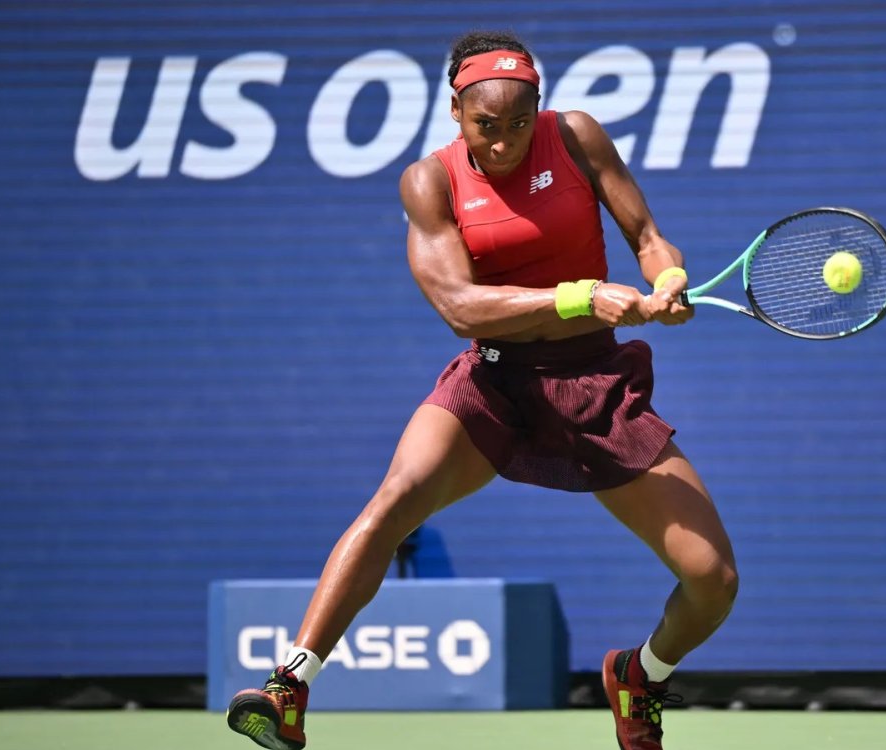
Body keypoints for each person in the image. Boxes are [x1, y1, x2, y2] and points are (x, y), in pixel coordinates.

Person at [227, 30, 738, 750]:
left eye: (519, 124)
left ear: (540, 108)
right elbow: (458, 307)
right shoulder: (428, 182)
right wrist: (578, 295)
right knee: (393, 504)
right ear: (456, 113)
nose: (503, 143)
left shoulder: (578, 138)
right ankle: (288, 686)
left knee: (712, 578)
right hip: (493, 383)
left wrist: (667, 276)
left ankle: (641, 676)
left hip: (595, 385)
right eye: (486, 127)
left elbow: (648, 234)